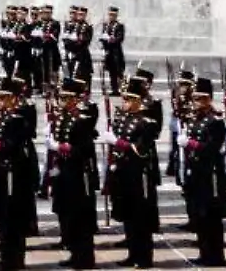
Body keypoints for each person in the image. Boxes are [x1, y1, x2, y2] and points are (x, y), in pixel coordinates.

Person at [107, 78, 160, 269]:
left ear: (138, 100)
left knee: (141, 218)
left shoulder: (147, 121)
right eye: (125, 99)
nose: (125, 102)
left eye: (129, 99)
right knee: (128, 216)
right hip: (124, 173)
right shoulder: (124, 119)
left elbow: (142, 149)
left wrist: (119, 143)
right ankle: (132, 253)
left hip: (139, 174)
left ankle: (144, 257)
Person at [48, 77, 100, 270]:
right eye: (61, 97)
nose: (61, 100)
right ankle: (75, 253)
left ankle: (85, 257)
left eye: (65, 97)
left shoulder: (82, 120)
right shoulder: (65, 117)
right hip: (66, 172)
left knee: (81, 217)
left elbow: (84, 150)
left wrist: (61, 146)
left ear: (74, 99)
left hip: (78, 174)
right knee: (69, 215)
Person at [0, 77, 36, 271]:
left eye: (4, 98)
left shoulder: (18, 118)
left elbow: (10, 145)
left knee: (13, 217)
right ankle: (6, 256)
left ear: (14, 98)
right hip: (2, 169)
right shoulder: (5, 115)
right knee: (3, 217)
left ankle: (14, 259)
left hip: (14, 173)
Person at [180, 78, 226, 267]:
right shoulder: (195, 120)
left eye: (200, 99)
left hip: (211, 174)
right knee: (200, 216)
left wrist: (191, 144)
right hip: (197, 173)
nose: (196, 103)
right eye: (194, 99)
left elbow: (211, 148)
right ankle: (204, 253)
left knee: (211, 217)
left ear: (208, 99)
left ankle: (216, 256)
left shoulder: (215, 121)